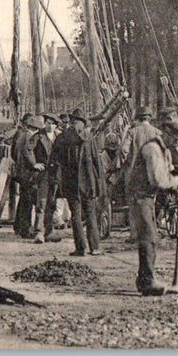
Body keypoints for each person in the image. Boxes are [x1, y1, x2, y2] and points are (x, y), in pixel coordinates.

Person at [125, 118, 178, 295]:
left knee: (151, 237)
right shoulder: (152, 149)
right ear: (165, 134)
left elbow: (166, 172)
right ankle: (146, 281)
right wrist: (177, 182)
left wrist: (176, 184)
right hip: (140, 197)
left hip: (147, 197)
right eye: (175, 140)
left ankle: (145, 278)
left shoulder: (163, 150)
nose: (176, 144)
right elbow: (157, 180)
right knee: (148, 237)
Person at [54, 108, 105, 256]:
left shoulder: (63, 138)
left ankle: (81, 248)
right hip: (88, 182)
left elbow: (56, 160)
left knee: (76, 215)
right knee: (90, 214)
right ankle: (94, 247)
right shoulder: (89, 139)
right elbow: (97, 162)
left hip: (71, 182)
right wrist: (99, 182)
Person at [12, 114, 43, 237]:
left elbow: (14, 152)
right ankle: (26, 229)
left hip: (21, 172)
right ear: (35, 128)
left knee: (24, 199)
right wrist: (34, 164)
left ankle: (19, 226)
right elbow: (26, 151)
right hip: (27, 173)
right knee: (28, 202)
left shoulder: (21, 135)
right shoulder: (29, 136)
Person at [32, 114, 61, 244]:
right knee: (41, 203)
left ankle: (49, 231)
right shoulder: (38, 136)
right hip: (43, 174)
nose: (50, 126)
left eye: (53, 124)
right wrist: (34, 163)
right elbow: (27, 150)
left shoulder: (58, 137)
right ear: (45, 123)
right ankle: (39, 232)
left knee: (52, 202)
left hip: (55, 174)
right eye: (48, 123)